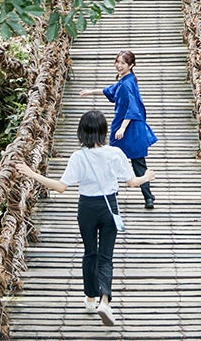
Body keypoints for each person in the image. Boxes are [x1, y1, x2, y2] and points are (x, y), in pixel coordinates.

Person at [20, 109, 154, 326]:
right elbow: (131, 182)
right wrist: (146, 176)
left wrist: (32, 174)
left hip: (87, 208)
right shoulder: (115, 153)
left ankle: (90, 298)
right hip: (109, 206)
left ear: (81, 132)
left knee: (89, 253)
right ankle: (105, 301)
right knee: (106, 256)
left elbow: (61, 187)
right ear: (104, 131)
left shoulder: (78, 157)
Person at [80, 50, 159, 209]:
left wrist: (122, 127)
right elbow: (111, 90)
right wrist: (91, 92)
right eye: (117, 62)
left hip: (126, 125)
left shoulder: (127, 83)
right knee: (138, 162)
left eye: (123, 63)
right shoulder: (127, 80)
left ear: (131, 65)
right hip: (132, 126)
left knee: (114, 160)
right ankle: (148, 197)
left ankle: (114, 193)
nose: (119, 65)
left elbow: (133, 107)